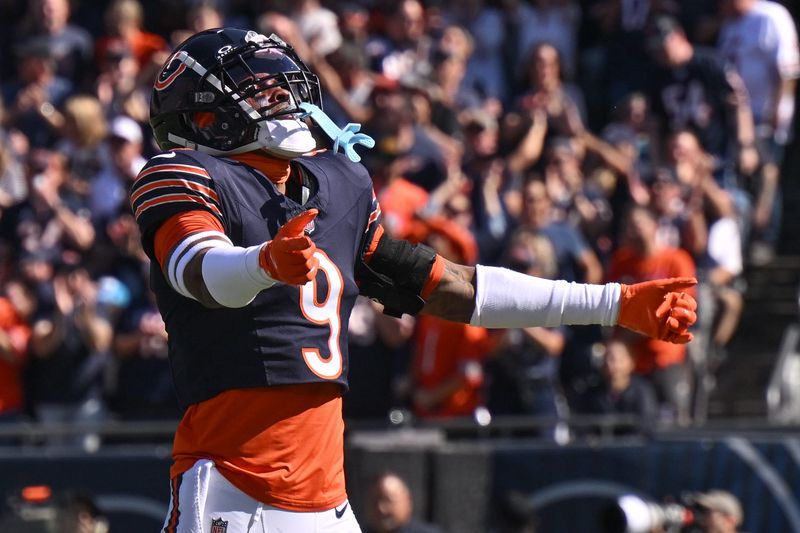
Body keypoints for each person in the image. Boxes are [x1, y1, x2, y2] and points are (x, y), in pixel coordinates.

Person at [133, 28, 696, 532]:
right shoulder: (182, 174)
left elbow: (453, 286)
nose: (283, 98)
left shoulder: (337, 185)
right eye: (259, 89)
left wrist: (611, 303)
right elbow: (198, 268)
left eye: (284, 85)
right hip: (238, 494)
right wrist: (262, 264)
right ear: (201, 115)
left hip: (328, 502)